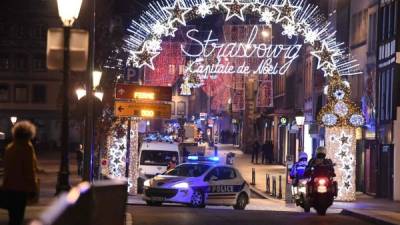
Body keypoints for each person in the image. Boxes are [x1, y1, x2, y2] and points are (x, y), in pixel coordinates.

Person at [2, 121, 39, 225]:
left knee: (12, 216)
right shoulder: (27, 147)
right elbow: (29, 170)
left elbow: (7, 169)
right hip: (21, 188)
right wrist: (33, 187)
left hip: (9, 187)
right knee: (18, 217)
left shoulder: (10, 148)